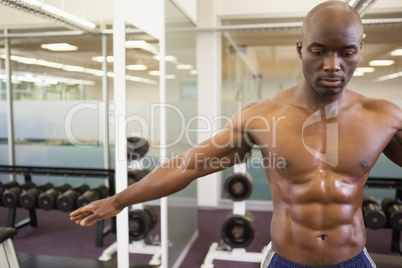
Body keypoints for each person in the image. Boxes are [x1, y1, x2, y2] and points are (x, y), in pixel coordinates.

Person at [70, 1, 402, 267]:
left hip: (352, 260)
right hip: (287, 261)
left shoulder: (384, 117)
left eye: (346, 52)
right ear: (300, 49)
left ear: (360, 48)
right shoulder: (261, 116)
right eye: (319, 51)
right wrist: (118, 201)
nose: (332, 65)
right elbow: (188, 165)